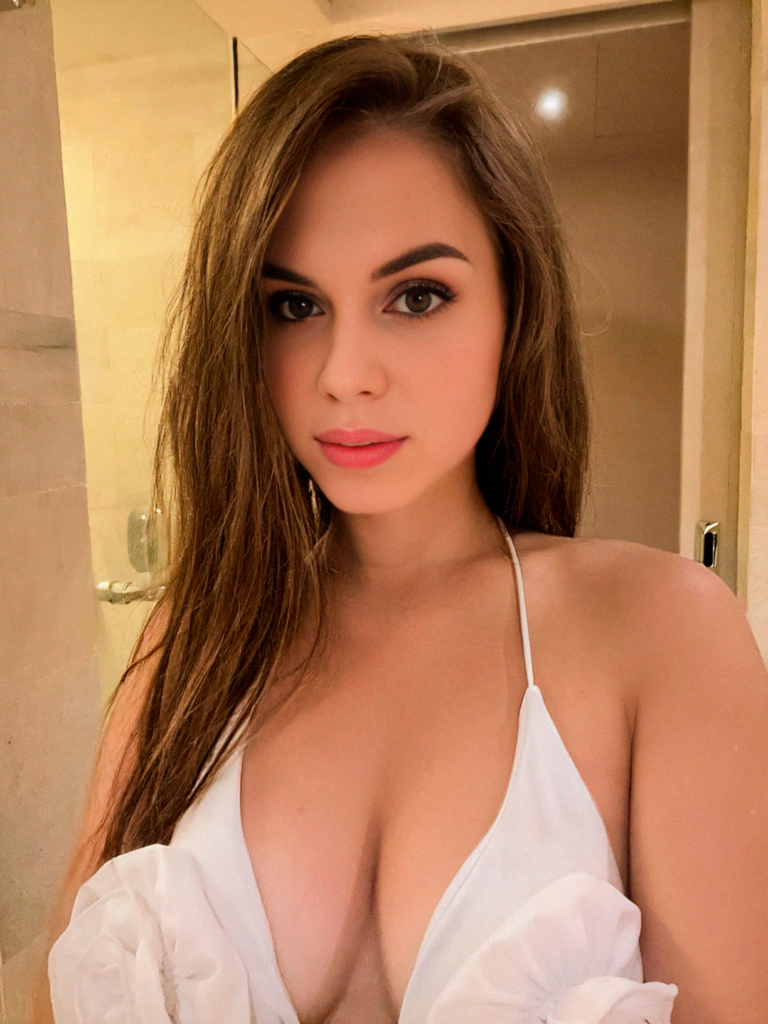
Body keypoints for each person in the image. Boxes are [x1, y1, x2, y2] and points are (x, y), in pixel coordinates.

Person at [37, 30, 767, 1024]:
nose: (345, 374)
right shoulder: (194, 639)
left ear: (514, 307)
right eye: (294, 304)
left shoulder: (662, 631)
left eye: (416, 296)